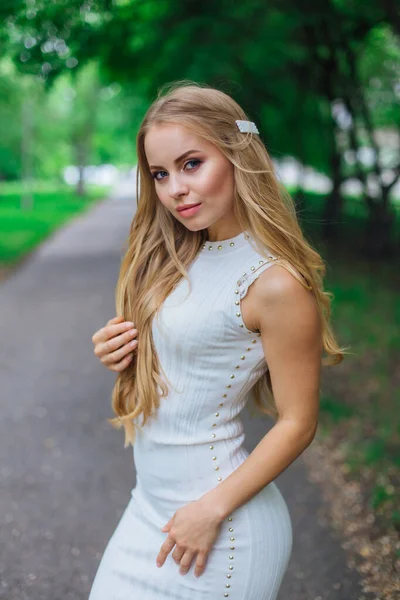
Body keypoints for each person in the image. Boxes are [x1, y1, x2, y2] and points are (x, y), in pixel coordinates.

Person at [88, 81, 345, 600]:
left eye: (191, 164)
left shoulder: (273, 282)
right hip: (149, 510)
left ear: (236, 155)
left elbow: (299, 422)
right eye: (160, 174)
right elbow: (188, 367)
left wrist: (209, 510)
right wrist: (120, 353)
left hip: (218, 529)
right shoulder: (177, 259)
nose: (175, 189)